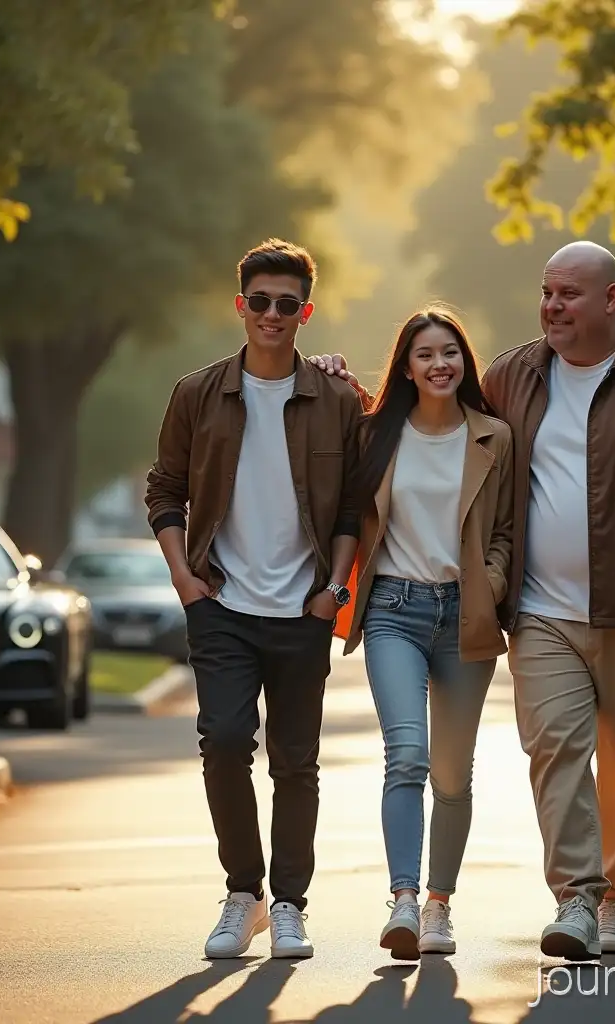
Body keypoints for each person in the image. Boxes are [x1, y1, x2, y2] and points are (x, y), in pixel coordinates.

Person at [308, 241, 615, 961]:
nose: (553, 306)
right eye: (546, 292)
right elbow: (432, 414)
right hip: (538, 610)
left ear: (610, 300)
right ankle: (576, 895)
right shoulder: (516, 374)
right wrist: (347, 391)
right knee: (554, 750)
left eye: (569, 293)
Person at [144, 237, 362, 961]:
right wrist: (184, 580)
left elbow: (354, 507)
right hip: (222, 605)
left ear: (306, 311)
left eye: (287, 304)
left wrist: (333, 590)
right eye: (260, 302)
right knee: (227, 743)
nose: (273, 314)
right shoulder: (197, 394)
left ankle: (292, 904)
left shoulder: (334, 398)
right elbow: (165, 490)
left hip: (304, 608)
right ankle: (245, 894)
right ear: (241, 306)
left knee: (297, 762)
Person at [342, 308, 513, 960]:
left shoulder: (495, 437)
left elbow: (505, 533)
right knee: (406, 754)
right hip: (393, 608)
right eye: (425, 355)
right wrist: (331, 369)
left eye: (450, 353)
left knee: (451, 774)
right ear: (406, 367)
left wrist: (490, 585)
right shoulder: (374, 436)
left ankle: (441, 903)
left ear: (464, 362)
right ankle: (405, 899)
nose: (440, 364)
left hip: (464, 616)